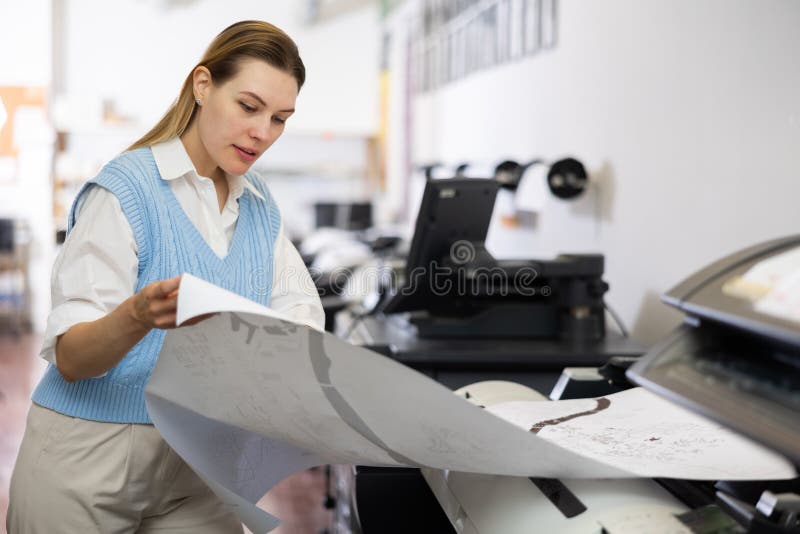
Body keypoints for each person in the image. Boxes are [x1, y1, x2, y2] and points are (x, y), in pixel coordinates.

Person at [7, 20, 324, 533]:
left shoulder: (260, 206)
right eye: (249, 107)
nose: (263, 132)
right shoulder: (124, 192)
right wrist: (136, 315)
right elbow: (72, 357)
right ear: (203, 86)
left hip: (198, 463)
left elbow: (298, 316)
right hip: (88, 458)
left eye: (280, 118)